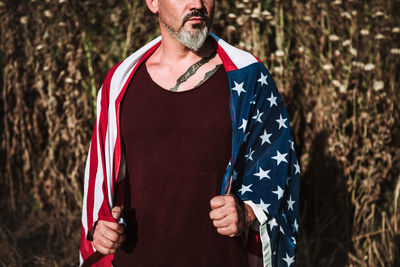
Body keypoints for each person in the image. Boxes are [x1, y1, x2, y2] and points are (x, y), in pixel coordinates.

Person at [80, 0, 300, 266]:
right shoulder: (120, 84)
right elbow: (104, 185)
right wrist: (100, 228)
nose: (197, 4)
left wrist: (247, 212)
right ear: (153, 2)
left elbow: (279, 165)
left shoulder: (248, 77)